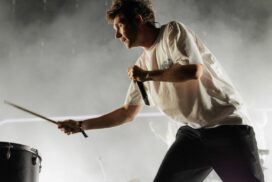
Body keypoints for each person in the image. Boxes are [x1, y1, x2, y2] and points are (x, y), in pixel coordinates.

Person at [58, 0, 265, 181]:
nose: (117, 35)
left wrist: (148, 75)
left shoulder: (172, 32)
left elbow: (193, 71)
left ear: (138, 20)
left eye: (119, 26)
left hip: (227, 127)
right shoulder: (142, 64)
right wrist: (81, 125)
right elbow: (127, 113)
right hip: (193, 134)